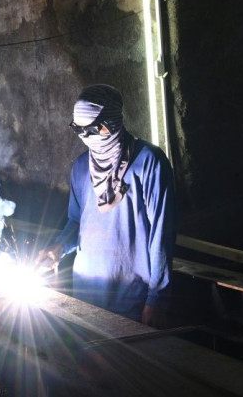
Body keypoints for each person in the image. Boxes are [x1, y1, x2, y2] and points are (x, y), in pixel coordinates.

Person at [37, 84, 177, 328]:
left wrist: (157, 298)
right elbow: (76, 221)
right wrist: (58, 247)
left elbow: (161, 235)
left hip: (131, 297)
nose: (83, 136)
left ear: (109, 124)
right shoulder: (81, 167)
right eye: (76, 129)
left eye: (89, 129)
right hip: (86, 294)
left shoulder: (150, 162)